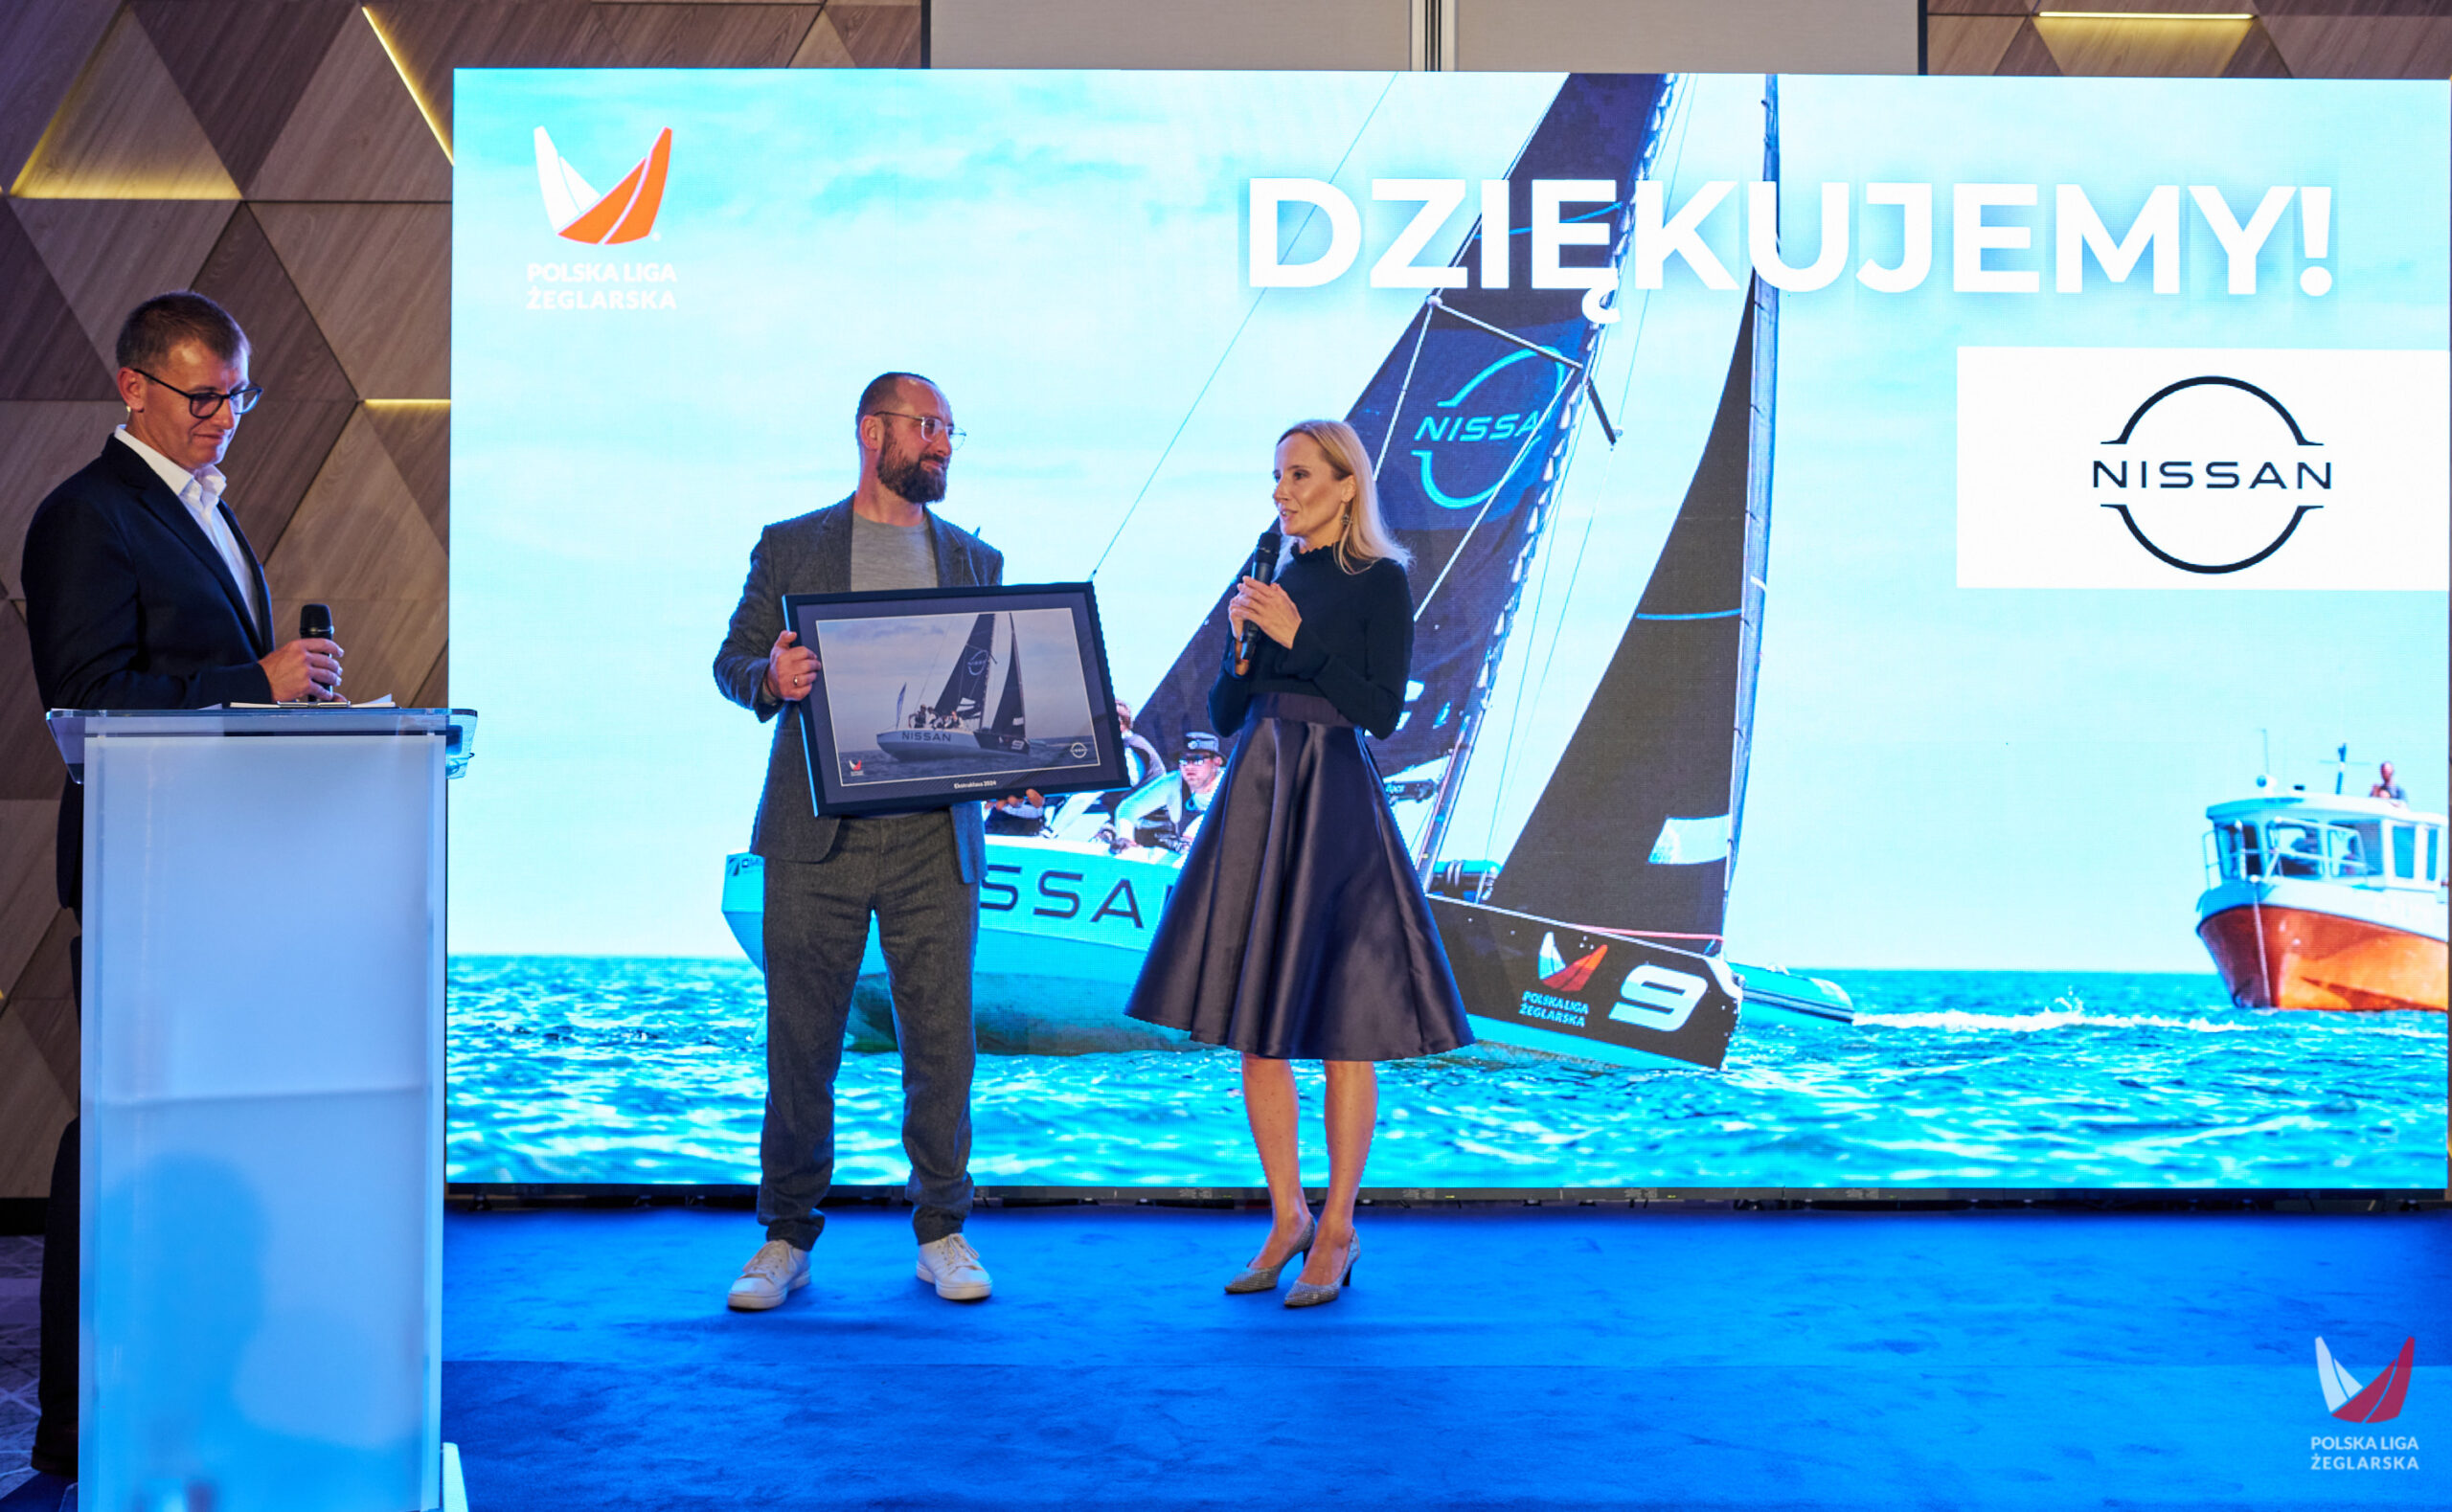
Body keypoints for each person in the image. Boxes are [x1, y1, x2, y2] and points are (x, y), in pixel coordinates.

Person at [16, 290, 344, 1482]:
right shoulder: (86, 516)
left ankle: (181, 1386)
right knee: (118, 1134)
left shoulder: (207, 510)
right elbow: (86, 700)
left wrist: (284, 703)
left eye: (238, 395)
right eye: (204, 398)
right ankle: (74, 1422)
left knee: (196, 1139)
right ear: (134, 388)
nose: (224, 419)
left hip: (220, 873)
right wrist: (256, 681)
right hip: (144, 872)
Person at [1124, 418, 1470, 1309]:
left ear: (1346, 484)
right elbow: (1226, 709)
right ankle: (1288, 1215)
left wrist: (1298, 633)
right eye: (1276, 476)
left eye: (1299, 475)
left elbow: (1380, 711)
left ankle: (1340, 1224)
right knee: (1257, 1026)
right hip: (1258, 786)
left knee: (1344, 1029)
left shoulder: (1381, 580)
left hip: (1332, 793)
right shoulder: (1275, 574)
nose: (1281, 491)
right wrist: (1244, 639)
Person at [712, 372, 1000, 1308]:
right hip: (814, 835)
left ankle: (943, 1230)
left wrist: (1034, 743)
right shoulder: (791, 545)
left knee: (942, 1045)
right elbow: (732, 660)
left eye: (951, 430)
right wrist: (771, 675)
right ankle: (785, 1238)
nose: (943, 443)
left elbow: (993, 695)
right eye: (929, 426)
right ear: (873, 431)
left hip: (934, 838)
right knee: (801, 1045)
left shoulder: (976, 560)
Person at [1119, 731, 1224, 851]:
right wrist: (1125, 837)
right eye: (1184, 760)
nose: (1189, 767)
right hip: (1190, 855)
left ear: (1216, 762)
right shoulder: (1174, 782)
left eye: (1197, 760)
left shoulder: (1231, 785)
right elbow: (1129, 807)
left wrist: (1191, 836)